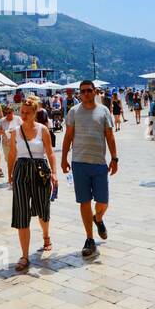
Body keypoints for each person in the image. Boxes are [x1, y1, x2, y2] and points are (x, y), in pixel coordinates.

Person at [61, 79, 118, 258]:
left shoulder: (104, 111)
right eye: (82, 91)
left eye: (88, 90)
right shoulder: (73, 112)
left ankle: (98, 218)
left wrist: (114, 158)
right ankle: (89, 239)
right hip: (79, 163)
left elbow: (110, 136)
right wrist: (63, 158)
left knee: (103, 202)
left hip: (99, 163)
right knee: (84, 202)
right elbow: (68, 136)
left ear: (95, 92)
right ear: (79, 93)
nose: (85, 94)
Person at [10, 96, 58, 272]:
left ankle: (46, 235)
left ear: (35, 112)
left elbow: (50, 153)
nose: (23, 115)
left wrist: (54, 172)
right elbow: (13, 154)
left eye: (27, 113)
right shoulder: (15, 131)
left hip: (40, 170)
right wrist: (10, 174)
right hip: (21, 171)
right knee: (22, 211)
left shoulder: (43, 130)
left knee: (42, 208)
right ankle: (24, 255)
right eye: (21, 112)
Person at [0, 104, 18, 181]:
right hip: (6, 143)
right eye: (6, 113)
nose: (8, 114)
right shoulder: (2, 120)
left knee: (17, 160)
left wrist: (14, 132)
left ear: (13, 112)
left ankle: (15, 175)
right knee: (9, 160)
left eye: (10, 112)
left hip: (16, 143)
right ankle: (10, 176)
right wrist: (4, 131)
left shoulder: (18, 119)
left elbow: (23, 129)